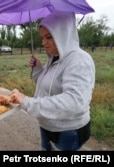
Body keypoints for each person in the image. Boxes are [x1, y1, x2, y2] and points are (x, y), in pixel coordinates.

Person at [11, 11, 95, 151]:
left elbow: (74, 102)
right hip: (48, 125)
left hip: (67, 131)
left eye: (49, 37)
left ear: (63, 34)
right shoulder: (53, 59)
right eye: (42, 37)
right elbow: (46, 86)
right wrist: (38, 69)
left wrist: (27, 101)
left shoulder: (79, 61)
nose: (43, 43)